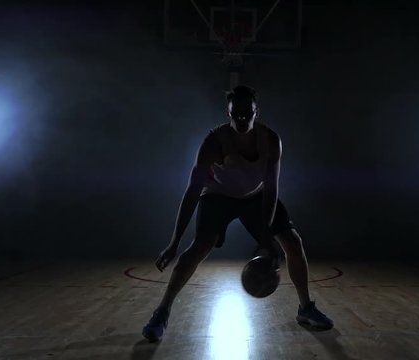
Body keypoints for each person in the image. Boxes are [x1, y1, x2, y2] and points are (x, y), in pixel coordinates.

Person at [142, 85, 333, 342]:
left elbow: (271, 189)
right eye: (236, 114)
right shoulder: (214, 142)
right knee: (199, 248)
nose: (242, 118)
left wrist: (266, 236)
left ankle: (306, 309)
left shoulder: (270, 140)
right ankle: (162, 312)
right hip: (217, 196)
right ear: (228, 112)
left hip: (255, 196)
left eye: (247, 113)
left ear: (256, 111)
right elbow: (192, 192)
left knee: (293, 242)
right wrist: (174, 241)